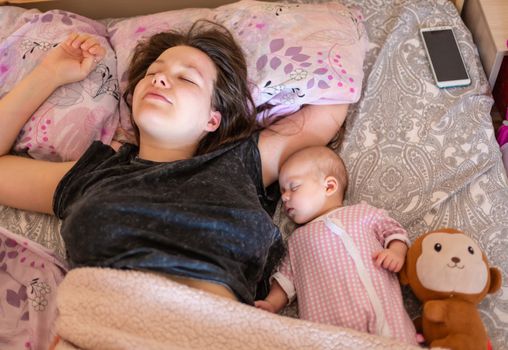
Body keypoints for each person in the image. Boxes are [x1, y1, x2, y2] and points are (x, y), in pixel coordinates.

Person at [0, 21, 348, 305]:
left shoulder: (240, 161)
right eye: (153, 72)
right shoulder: (93, 174)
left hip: (210, 331)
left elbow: (331, 104)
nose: (160, 78)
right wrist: (48, 74)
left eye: (186, 78)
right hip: (99, 326)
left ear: (213, 118)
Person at [254, 146, 418, 345]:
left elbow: (393, 231)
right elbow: (286, 278)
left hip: (388, 326)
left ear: (329, 186)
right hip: (329, 335)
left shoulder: (362, 213)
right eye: (282, 192)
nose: (285, 197)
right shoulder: (298, 240)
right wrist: (271, 303)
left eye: (293, 187)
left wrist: (396, 251)